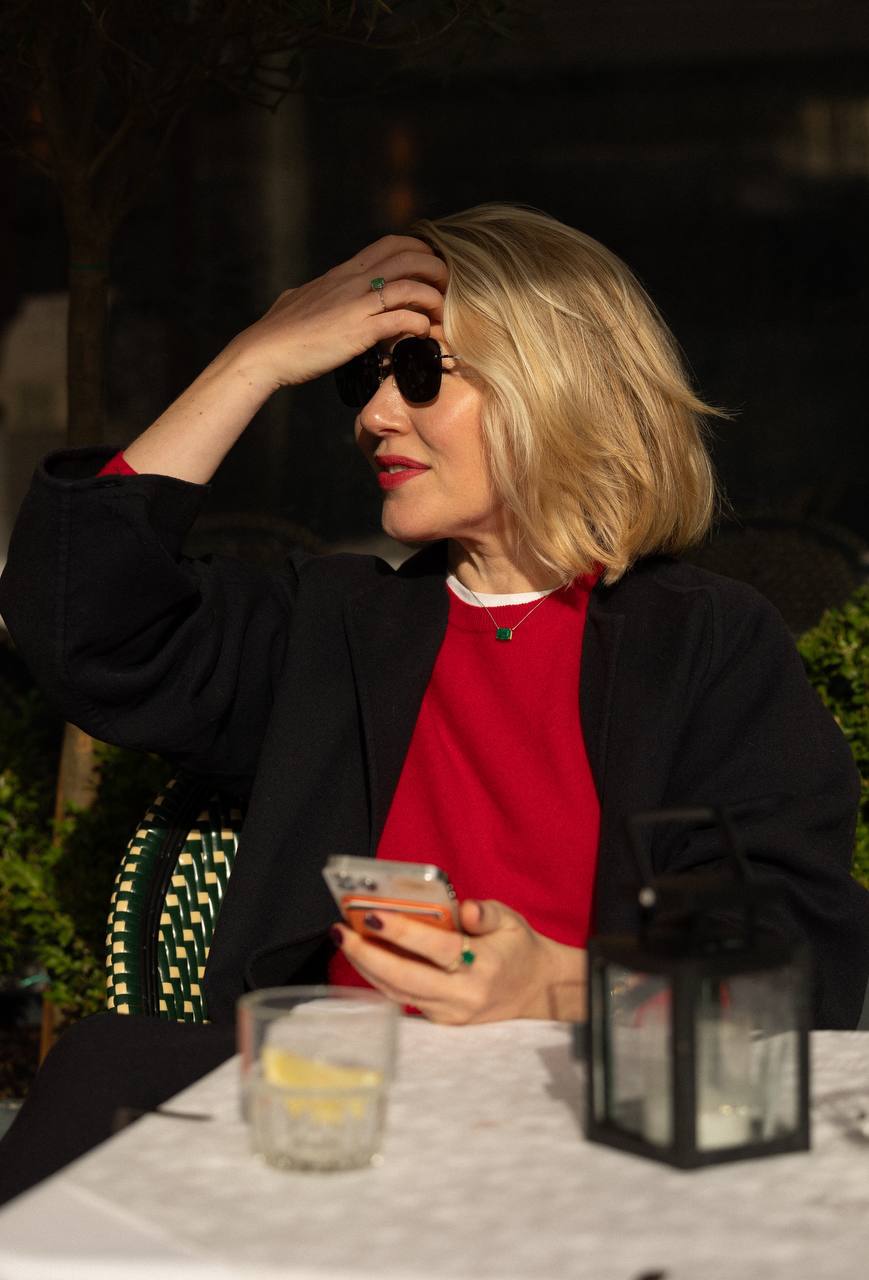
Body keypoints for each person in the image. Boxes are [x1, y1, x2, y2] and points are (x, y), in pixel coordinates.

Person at [0, 204, 866, 1201]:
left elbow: (792, 965)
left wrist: (553, 985)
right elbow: (78, 620)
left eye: (417, 374)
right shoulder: (331, 623)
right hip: (323, 1139)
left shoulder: (702, 644)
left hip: (587, 1144)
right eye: (357, 380)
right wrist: (252, 361)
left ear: (556, 382)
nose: (372, 415)